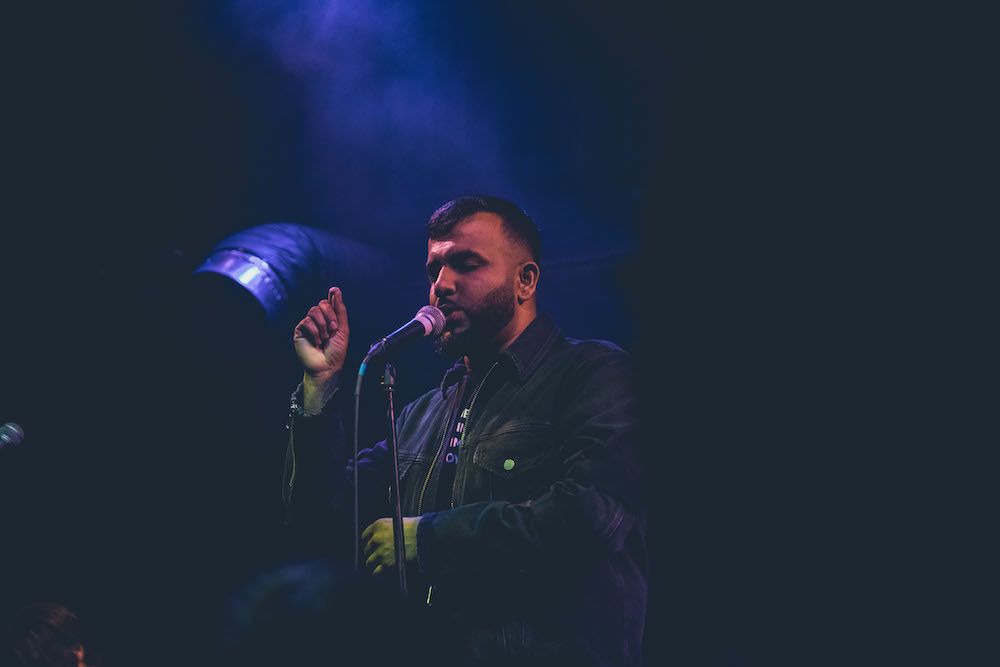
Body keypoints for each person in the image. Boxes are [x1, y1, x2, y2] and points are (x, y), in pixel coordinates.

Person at [284, 195, 646, 665]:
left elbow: (590, 516)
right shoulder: (422, 413)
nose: (442, 285)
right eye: (434, 270)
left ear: (525, 280)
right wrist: (319, 388)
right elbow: (324, 520)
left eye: (466, 264)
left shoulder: (592, 373)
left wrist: (428, 539)